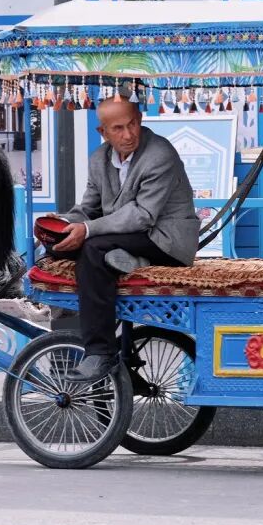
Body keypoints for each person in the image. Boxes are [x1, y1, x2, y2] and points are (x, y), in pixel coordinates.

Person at [51, 94, 199, 382]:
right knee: (58, 243)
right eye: (118, 128)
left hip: (165, 239)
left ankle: (101, 352)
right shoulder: (99, 159)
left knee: (93, 249)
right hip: (126, 237)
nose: (128, 134)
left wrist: (87, 229)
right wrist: (64, 223)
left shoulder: (160, 154)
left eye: (132, 124)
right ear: (103, 132)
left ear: (140, 120)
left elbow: (143, 215)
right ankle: (124, 262)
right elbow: (89, 209)